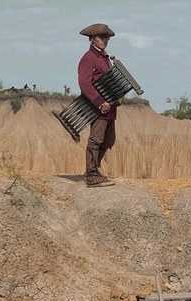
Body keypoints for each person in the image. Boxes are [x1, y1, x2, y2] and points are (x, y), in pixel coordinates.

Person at [78, 23, 122, 187]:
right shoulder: (88, 58)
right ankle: (91, 175)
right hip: (99, 108)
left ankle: (94, 169)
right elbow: (85, 83)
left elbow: (108, 81)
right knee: (96, 140)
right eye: (101, 37)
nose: (104, 40)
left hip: (110, 108)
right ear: (92, 39)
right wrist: (99, 102)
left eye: (106, 38)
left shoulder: (104, 58)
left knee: (109, 140)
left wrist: (117, 97)